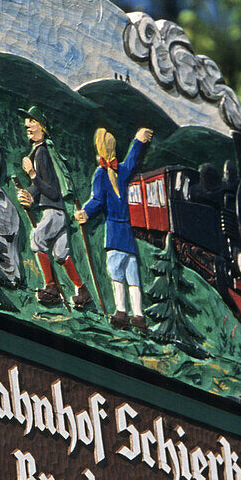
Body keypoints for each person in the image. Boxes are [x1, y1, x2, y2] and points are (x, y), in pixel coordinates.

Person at [75, 126, 154, 330]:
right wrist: (138, 141)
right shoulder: (122, 170)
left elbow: (97, 200)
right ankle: (138, 315)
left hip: (114, 234)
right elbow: (133, 160)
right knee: (132, 276)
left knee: (116, 274)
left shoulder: (102, 173)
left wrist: (86, 213)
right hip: (127, 234)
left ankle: (121, 312)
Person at [16, 106, 92, 308]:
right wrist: (29, 194)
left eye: (32, 123)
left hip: (53, 211)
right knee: (60, 254)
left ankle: (51, 288)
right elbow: (40, 186)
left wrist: (32, 174)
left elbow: (51, 191)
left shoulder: (41, 153)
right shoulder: (39, 151)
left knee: (37, 239)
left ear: (42, 126)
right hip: (59, 213)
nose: (28, 127)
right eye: (27, 124)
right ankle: (83, 291)